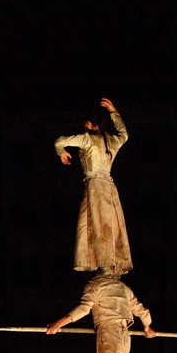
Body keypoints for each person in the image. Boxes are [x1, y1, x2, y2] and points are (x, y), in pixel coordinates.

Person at [54, 98, 132, 273]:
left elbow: (60, 141)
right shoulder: (112, 140)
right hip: (110, 188)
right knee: (111, 226)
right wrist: (114, 112)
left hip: (95, 186)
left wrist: (62, 153)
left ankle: (102, 262)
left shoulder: (88, 139)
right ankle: (110, 262)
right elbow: (124, 134)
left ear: (89, 123)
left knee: (95, 225)